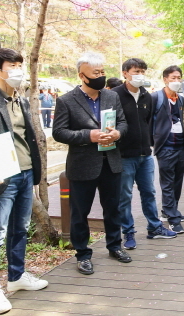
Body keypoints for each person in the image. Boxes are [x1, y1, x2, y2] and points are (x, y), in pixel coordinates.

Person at [0, 48, 48, 314]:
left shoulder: (20, 100)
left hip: (26, 173)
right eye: (12, 65)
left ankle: (17, 277)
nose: (18, 70)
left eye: (20, 65)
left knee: (20, 229)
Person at [53, 51, 132, 276]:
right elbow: (59, 132)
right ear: (82, 75)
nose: (101, 76)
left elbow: (123, 122)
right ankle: (83, 255)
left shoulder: (111, 96)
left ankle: (115, 246)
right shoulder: (66, 100)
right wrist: (90, 136)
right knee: (80, 212)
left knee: (113, 209)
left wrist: (117, 133)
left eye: (102, 71)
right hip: (82, 165)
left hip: (111, 162)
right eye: (95, 72)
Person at [113, 59, 176, 250]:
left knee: (149, 192)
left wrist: (150, 146)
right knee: (124, 196)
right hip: (124, 156)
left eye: (143, 71)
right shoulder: (114, 95)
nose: (140, 75)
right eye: (136, 71)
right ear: (125, 73)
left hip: (145, 155)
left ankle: (154, 227)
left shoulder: (146, 96)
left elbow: (148, 123)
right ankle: (129, 232)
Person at [152, 65, 184, 233]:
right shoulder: (155, 98)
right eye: (173, 78)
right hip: (165, 147)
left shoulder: (180, 99)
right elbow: (148, 122)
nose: (176, 81)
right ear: (165, 79)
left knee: (177, 182)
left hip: (180, 146)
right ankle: (173, 219)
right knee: (167, 182)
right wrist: (154, 141)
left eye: (178, 78)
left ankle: (170, 211)